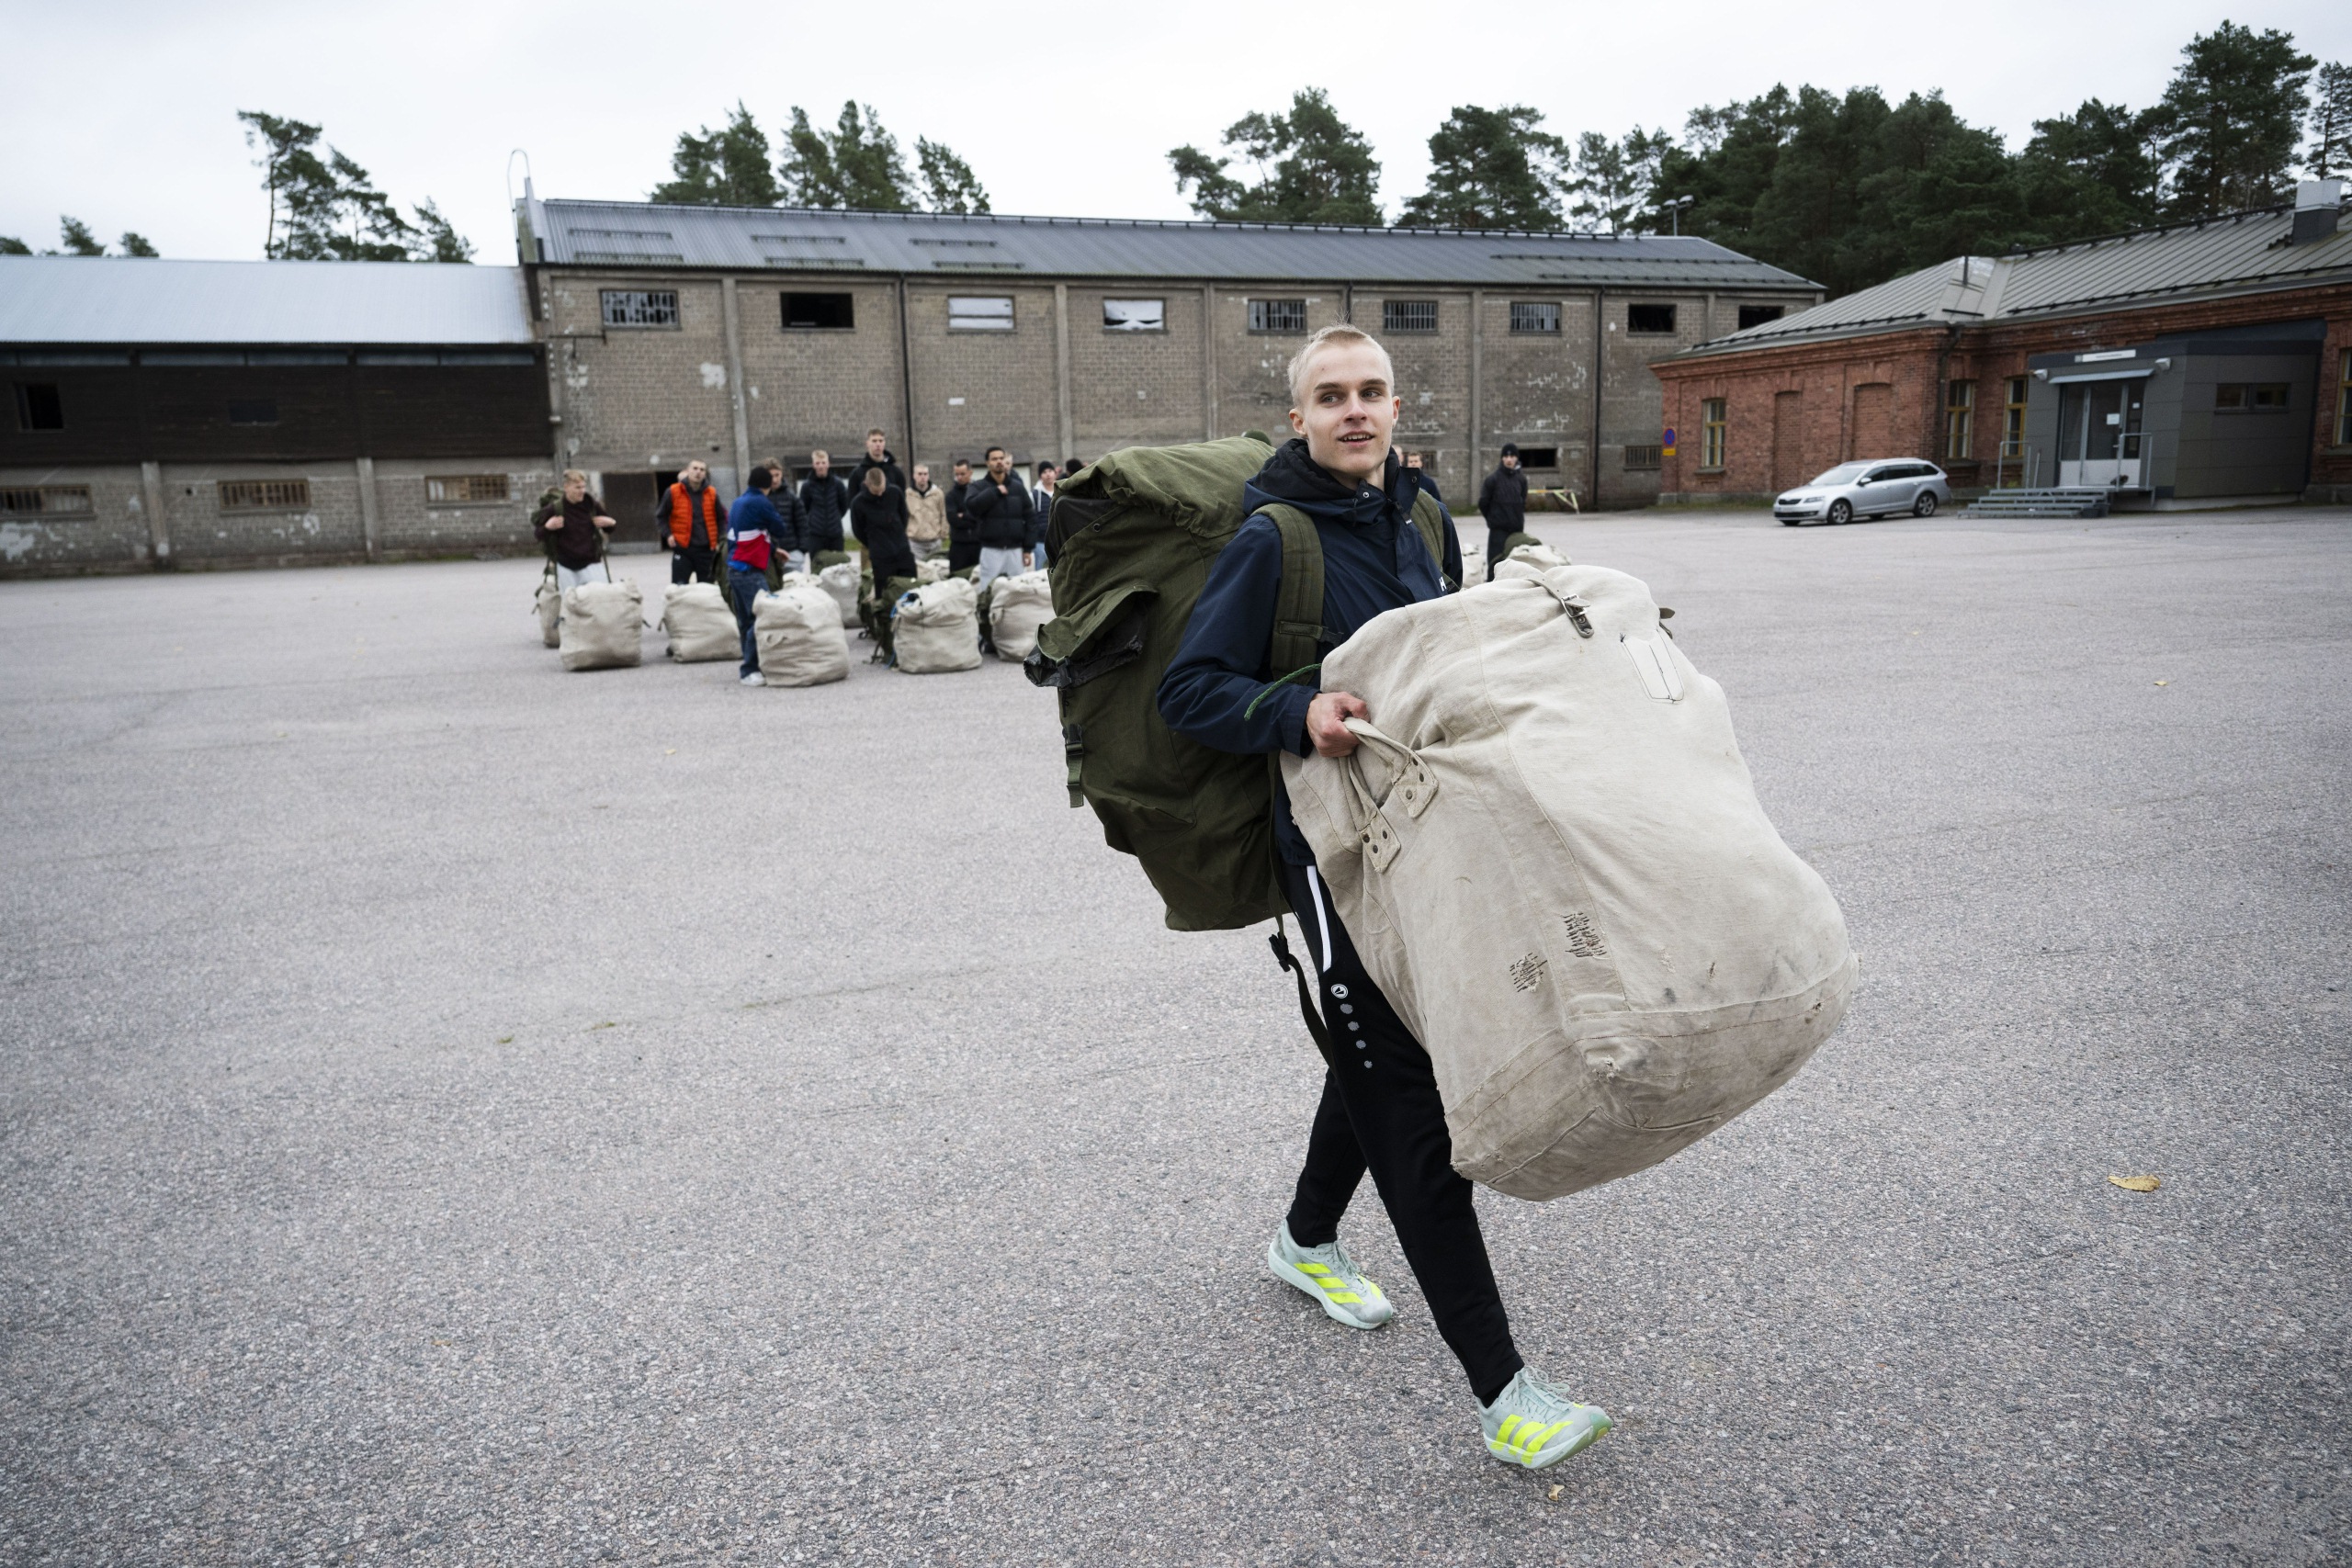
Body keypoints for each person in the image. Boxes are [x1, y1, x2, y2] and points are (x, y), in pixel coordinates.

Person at [1156, 323, 1611, 1472]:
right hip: (1323, 859)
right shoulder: (1274, 537)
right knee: (1411, 1101)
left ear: (1396, 408)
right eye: (1330, 396)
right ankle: (1505, 1393)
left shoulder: (1418, 515)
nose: (1354, 411)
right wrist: (1293, 710)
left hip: (1418, 844)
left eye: (1371, 393)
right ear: (1298, 415)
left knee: (1373, 1056)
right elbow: (1191, 690)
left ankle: (1305, 1238)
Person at [724, 466, 788, 685]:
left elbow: (744, 535)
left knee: (744, 621)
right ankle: (750, 669)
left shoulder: (738, 502)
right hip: (750, 570)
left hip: (734, 568)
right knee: (760, 618)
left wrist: (771, 549)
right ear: (767, 485)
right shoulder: (761, 502)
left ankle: (749, 665)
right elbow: (780, 529)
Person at [965, 446, 1035, 595]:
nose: (999, 462)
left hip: (1015, 549)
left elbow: (1030, 517)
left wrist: (1028, 548)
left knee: (1017, 589)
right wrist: (994, 492)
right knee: (988, 589)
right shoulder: (978, 487)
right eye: (994, 459)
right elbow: (972, 507)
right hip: (991, 549)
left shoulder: (1017, 488)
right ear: (987, 463)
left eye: (1001, 458)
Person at [533, 468, 617, 589]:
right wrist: (547, 527)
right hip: (565, 566)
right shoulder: (555, 509)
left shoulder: (592, 505)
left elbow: (609, 529)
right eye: (578, 487)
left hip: (592, 563)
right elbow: (538, 535)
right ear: (566, 487)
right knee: (570, 605)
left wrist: (611, 523)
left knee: (599, 602)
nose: (582, 491)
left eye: (583, 487)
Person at [850, 466, 917, 595]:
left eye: (882, 490)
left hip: (902, 551)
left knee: (910, 587)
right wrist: (874, 543)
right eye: (876, 492)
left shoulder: (895, 493)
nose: (880, 494)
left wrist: (898, 535)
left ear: (885, 481)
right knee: (885, 592)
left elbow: (904, 516)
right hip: (880, 556)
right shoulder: (858, 503)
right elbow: (858, 530)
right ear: (866, 484)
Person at [662, 459, 726, 585]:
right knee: (679, 588)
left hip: (707, 550)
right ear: (688, 470)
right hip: (683, 548)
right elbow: (661, 516)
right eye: (695, 468)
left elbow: (721, 518)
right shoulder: (673, 491)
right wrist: (668, 534)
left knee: (707, 588)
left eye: (702, 470)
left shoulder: (712, 493)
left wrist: (720, 539)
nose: (698, 472)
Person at [1476, 443, 1528, 582]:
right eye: (1506, 456)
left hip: (1516, 530)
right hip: (1498, 531)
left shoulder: (1521, 479)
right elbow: (1483, 503)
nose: (1509, 459)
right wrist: (1493, 519)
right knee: (1495, 564)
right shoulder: (1492, 480)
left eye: (1512, 456)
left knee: (1515, 565)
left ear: (1516, 458)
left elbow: (1523, 501)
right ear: (1502, 459)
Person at [797, 450, 851, 565]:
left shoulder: (838, 484)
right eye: (817, 463)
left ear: (828, 464)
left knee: (838, 568)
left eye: (823, 462)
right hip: (815, 535)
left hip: (835, 535)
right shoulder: (807, 486)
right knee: (817, 567)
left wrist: (835, 518)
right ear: (813, 465)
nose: (821, 466)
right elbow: (803, 509)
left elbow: (844, 505)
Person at [761, 456, 808, 573]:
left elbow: (802, 524)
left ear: (781, 474)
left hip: (792, 552)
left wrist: (802, 550)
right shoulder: (760, 499)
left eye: (777, 475)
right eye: (771, 476)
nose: (774, 479)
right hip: (769, 553)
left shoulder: (792, 498)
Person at [905, 463, 948, 562]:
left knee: (935, 570)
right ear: (914, 476)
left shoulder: (937, 493)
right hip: (915, 542)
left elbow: (943, 514)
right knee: (919, 571)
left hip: (934, 541)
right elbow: (905, 516)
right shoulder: (908, 494)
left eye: (925, 474)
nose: (923, 477)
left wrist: (943, 533)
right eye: (920, 474)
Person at [944, 457, 979, 573]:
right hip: (959, 545)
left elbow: (982, 516)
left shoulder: (979, 492)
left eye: (962, 474)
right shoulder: (951, 496)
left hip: (978, 544)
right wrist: (972, 519)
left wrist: (963, 515)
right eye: (957, 474)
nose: (959, 477)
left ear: (970, 472)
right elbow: (953, 519)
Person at [847, 428, 906, 495]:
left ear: (884, 443)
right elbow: (851, 501)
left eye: (881, 441)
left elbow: (901, 500)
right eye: (874, 441)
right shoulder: (857, 474)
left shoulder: (896, 472)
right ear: (867, 443)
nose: (878, 444)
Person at [1027, 461, 1057, 571]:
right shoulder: (1034, 495)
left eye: (1050, 471)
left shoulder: (1062, 491)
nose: (1048, 474)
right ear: (1040, 476)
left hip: (1060, 540)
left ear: (1055, 473)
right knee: (1040, 572)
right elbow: (1029, 518)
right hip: (1040, 541)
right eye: (1044, 472)